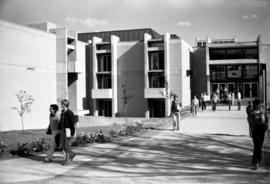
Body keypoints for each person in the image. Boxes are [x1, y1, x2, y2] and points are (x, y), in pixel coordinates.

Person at [249, 99, 269, 170]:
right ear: (256, 105)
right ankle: (256, 162)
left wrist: (266, 126)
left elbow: (267, 118)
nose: (261, 106)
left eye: (261, 105)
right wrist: (251, 132)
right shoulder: (252, 112)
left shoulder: (263, 111)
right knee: (256, 146)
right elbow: (250, 123)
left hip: (262, 129)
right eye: (259, 105)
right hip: (255, 129)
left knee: (259, 146)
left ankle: (257, 160)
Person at [59, 99, 76, 165]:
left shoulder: (69, 113)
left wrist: (72, 133)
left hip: (68, 131)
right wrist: (59, 127)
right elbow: (61, 121)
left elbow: (72, 123)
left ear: (65, 104)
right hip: (63, 130)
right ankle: (72, 154)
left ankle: (68, 160)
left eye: (62, 104)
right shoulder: (63, 112)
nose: (61, 105)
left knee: (67, 146)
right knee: (64, 146)